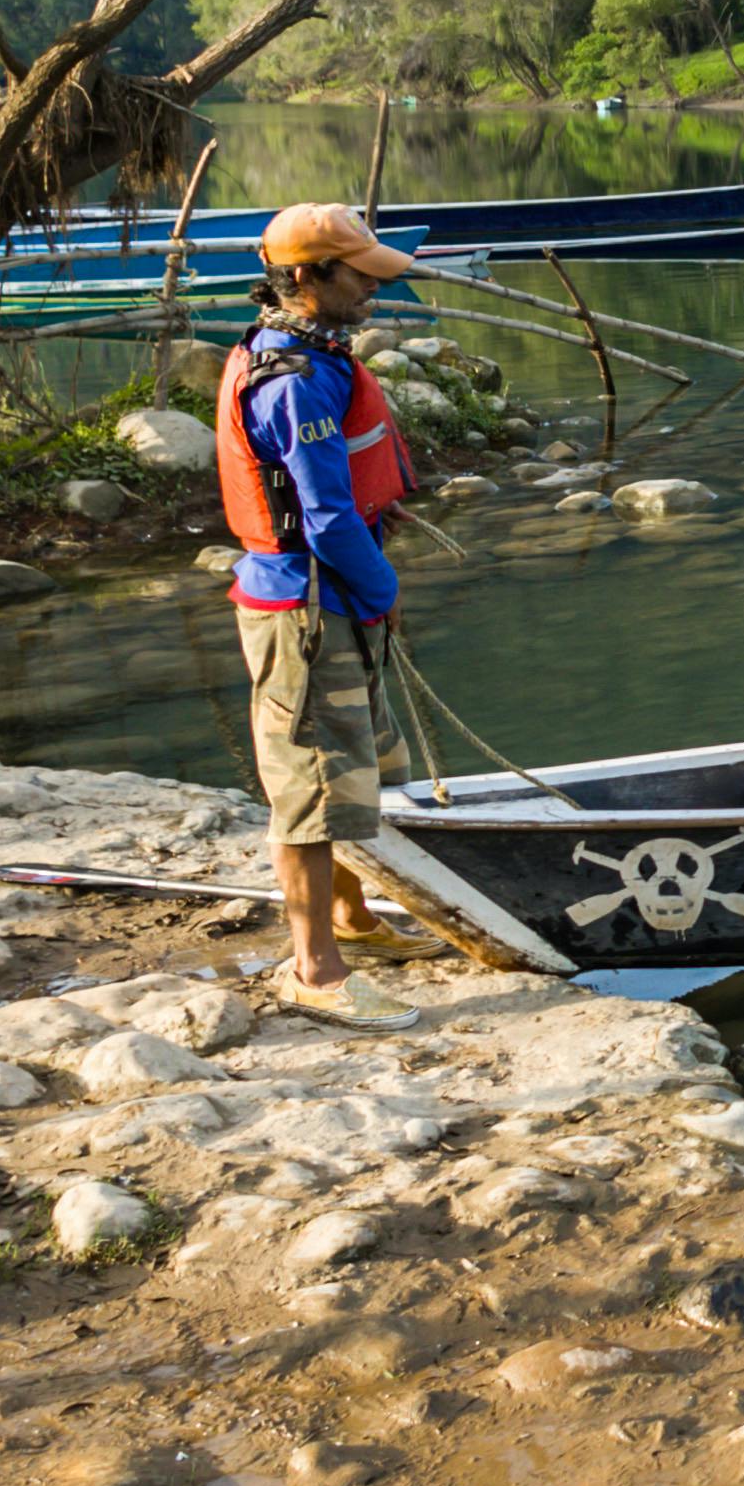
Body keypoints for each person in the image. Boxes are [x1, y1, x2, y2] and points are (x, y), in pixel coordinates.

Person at [217, 201, 431, 1022]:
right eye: (358, 274)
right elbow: (325, 517)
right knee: (308, 788)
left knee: (358, 769)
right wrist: (381, 591)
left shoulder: (312, 352)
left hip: (332, 593)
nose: (372, 288)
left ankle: (352, 917)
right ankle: (315, 973)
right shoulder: (294, 379)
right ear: (303, 278)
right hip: (304, 608)